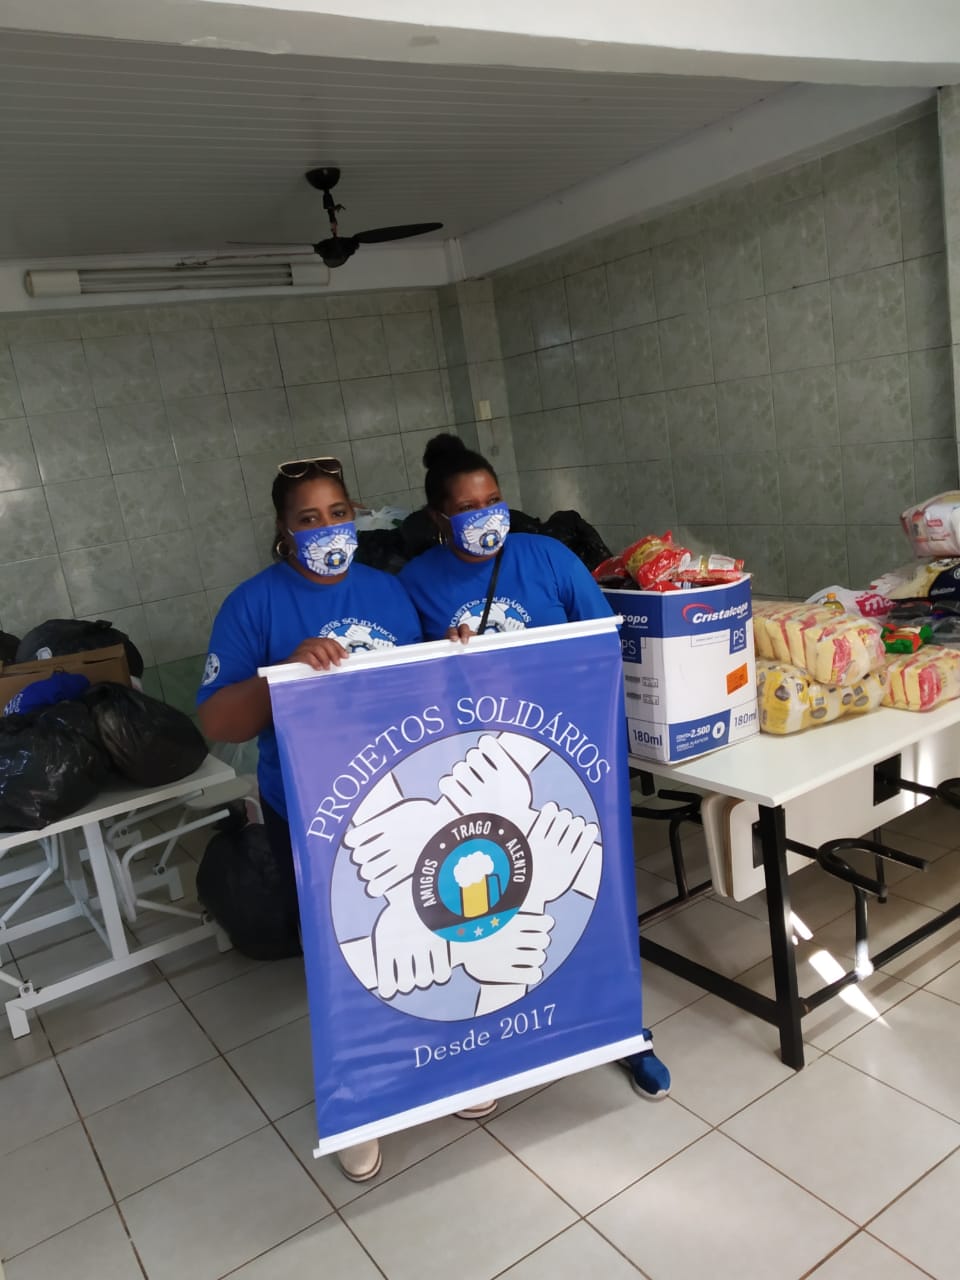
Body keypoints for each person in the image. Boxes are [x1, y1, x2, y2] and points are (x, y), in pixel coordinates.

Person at [196, 455, 492, 1184]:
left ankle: (452, 1064)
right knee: (345, 962)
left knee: (432, 934)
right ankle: (363, 1104)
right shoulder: (253, 605)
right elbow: (216, 719)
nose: (327, 529)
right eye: (307, 519)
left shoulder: (389, 593)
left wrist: (450, 653)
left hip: (401, 803)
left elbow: (429, 682)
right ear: (281, 532)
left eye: (337, 513)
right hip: (309, 808)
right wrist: (284, 674)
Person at [401, 433, 671, 1102]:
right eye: (468, 507)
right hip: (483, 772)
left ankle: (622, 1029)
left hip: (572, 757)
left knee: (596, 898)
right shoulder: (415, 584)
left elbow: (602, 641)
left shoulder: (546, 556)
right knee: (499, 913)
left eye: (494, 500)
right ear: (439, 518)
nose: (486, 515)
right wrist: (444, 654)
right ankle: (495, 1037)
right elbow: (402, 692)